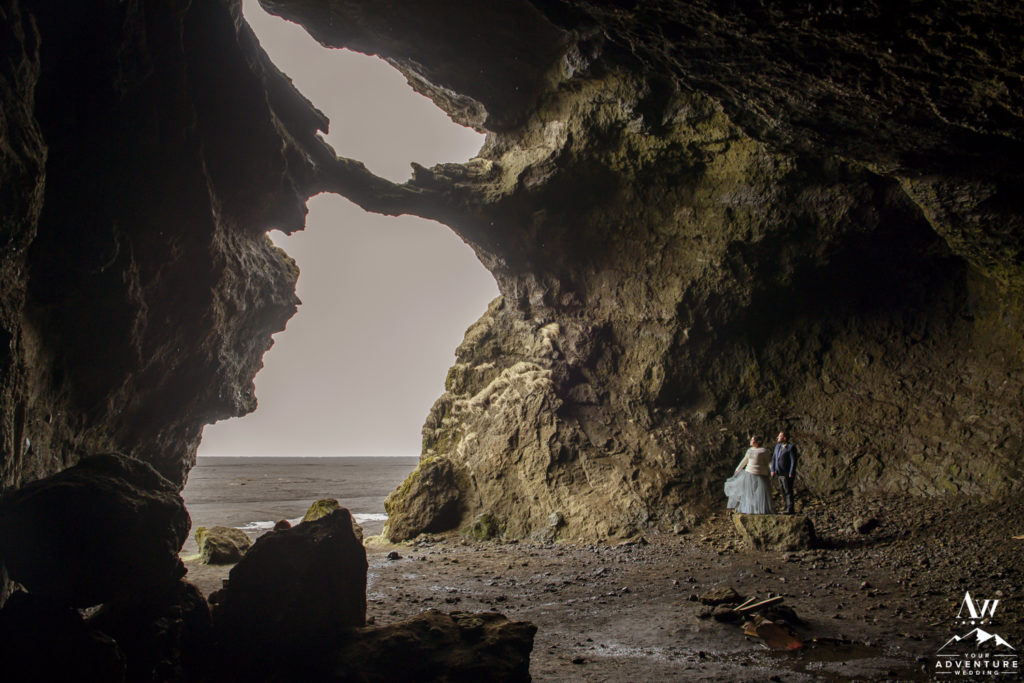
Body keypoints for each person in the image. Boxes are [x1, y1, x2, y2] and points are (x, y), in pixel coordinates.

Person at [724, 436, 774, 514]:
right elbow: (745, 460)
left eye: (752, 440)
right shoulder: (749, 451)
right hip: (749, 473)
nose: (750, 441)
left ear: (757, 442)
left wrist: (772, 470)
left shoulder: (764, 451)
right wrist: (738, 469)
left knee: (760, 492)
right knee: (749, 492)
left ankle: (760, 509)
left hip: (761, 474)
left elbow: (769, 462)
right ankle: (750, 508)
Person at [771, 431, 798, 514]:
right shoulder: (777, 447)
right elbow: (774, 459)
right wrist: (772, 470)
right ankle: (785, 506)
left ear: (784, 438)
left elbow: (793, 461)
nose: (778, 438)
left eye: (780, 436)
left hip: (786, 473)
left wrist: (791, 472)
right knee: (782, 491)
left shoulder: (790, 447)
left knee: (788, 491)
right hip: (779, 472)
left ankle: (790, 508)